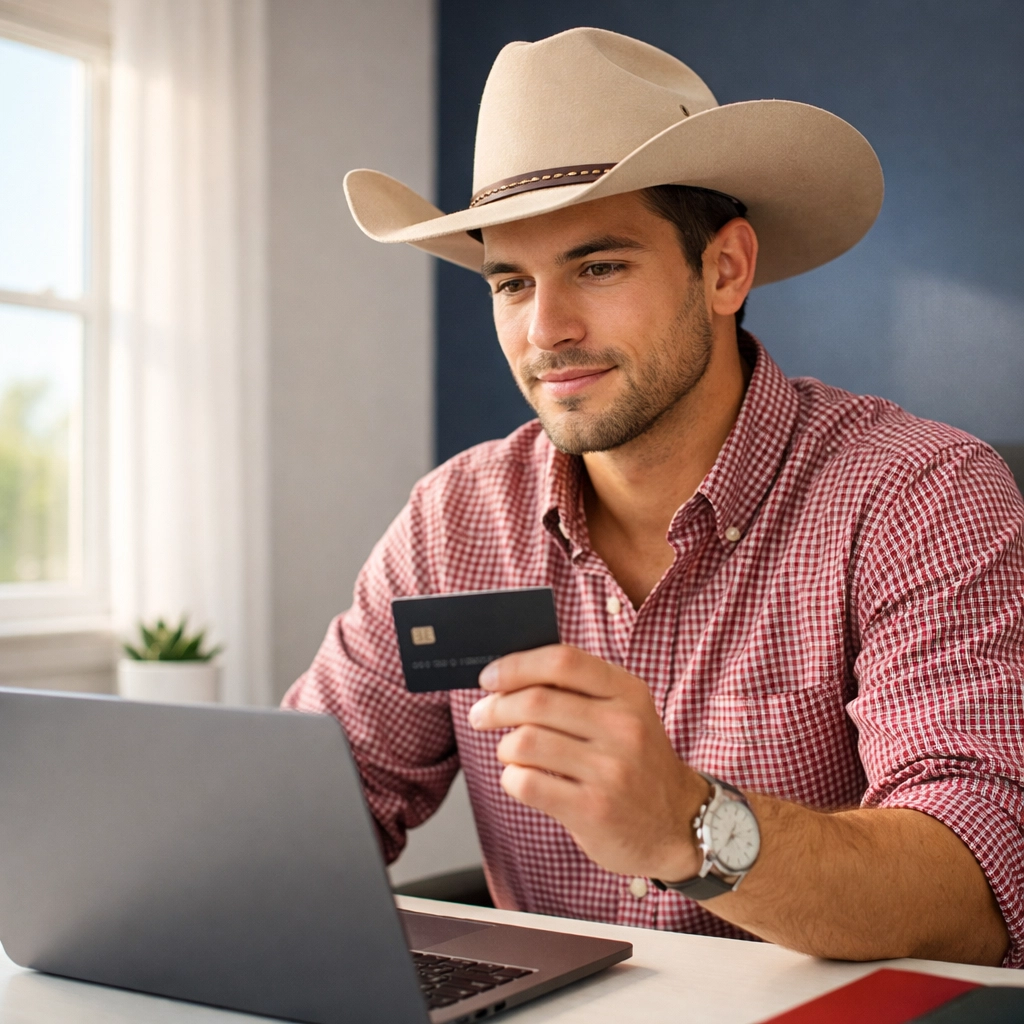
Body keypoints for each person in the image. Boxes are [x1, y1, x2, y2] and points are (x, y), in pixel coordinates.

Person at [283, 27, 1024, 967]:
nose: (546, 330)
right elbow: (313, 807)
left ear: (724, 269)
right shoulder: (454, 520)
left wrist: (688, 824)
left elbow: (977, 886)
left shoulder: (921, 497)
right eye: (512, 282)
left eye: (599, 266)